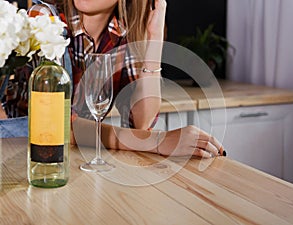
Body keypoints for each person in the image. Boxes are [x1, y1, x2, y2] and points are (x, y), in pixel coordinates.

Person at [1, 0, 225, 157]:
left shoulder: (122, 37)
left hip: (70, 160)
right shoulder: (45, 19)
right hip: (16, 153)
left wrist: (154, 39)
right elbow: (59, 127)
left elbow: (142, 122)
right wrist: (159, 141)